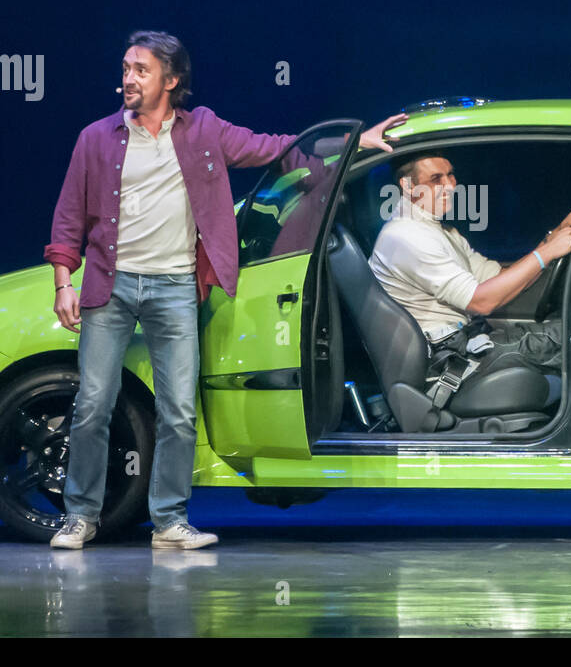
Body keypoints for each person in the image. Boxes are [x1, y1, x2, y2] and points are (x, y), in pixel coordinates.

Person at [44, 30, 404, 549]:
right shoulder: (95, 138)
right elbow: (69, 217)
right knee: (94, 403)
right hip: (112, 285)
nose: (127, 79)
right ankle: (80, 516)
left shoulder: (204, 130)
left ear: (171, 80)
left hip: (175, 288)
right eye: (125, 68)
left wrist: (356, 142)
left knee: (179, 411)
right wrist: (63, 281)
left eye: (140, 70)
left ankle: (168, 522)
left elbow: (275, 150)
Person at [368, 152, 571, 375]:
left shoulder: (442, 232)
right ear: (409, 186)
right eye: (436, 179)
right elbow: (481, 302)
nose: (450, 186)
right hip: (450, 360)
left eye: (450, 175)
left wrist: (551, 240)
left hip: (468, 341)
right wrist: (547, 252)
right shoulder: (407, 236)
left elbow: (499, 277)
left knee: (568, 332)